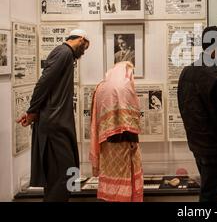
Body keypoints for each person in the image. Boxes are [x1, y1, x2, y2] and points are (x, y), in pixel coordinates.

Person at [16, 29, 90, 202]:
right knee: (66, 172)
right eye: (85, 46)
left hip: (59, 122)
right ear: (80, 39)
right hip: (54, 123)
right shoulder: (64, 52)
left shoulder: (66, 55)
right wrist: (32, 111)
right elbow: (44, 82)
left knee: (65, 172)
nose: (84, 51)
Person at [177, 26, 217, 202]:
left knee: (207, 189)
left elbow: (183, 105)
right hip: (214, 146)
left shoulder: (186, 72)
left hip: (195, 142)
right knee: (211, 195)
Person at [90, 61, 143, 202]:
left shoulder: (100, 87)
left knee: (110, 178)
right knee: (125, 178)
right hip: (124, 141)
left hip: (106, 143)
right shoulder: (124, 87)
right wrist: (133, 141)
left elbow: (96, 117)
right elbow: (128, 120)